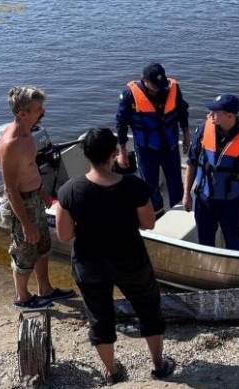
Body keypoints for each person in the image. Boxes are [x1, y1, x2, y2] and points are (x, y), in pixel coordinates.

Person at [55, 128, 174, 383]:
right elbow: (149, 223)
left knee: (99, 316)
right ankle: (159, 365)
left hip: (90, 263)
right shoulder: (134, 185)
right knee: (148, 309)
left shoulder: (70, 191)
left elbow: (64, 235)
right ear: (113, 154)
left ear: (85, 155)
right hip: (131, 258)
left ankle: (112, 372)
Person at [0, 86, 75, 310]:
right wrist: (25, 223)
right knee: (24, 252)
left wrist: (44, 194)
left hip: (34, 198)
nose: (44, 111)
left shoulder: (28, 133)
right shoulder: (11, 143)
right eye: (38, 108)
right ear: (22, 113)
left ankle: (45, 290)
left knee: (43, 247)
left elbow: (31, 169)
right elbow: (11, 188)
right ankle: (22, 298)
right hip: (20, 203)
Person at [183, 94, 239, 251]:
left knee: (234, 241)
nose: (209, 115)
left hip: (232, 202)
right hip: (204, 200)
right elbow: (191, 164)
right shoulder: (203, 130)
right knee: (205, 241)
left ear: (230, 115)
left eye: (215, 112)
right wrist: (186, 194)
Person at [116, 62, 190, 214]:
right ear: (144, 80)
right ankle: (157, 212)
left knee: (175, 181)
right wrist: (122, 151)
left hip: (170, 145)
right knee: (149, 184)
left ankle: (179, 211)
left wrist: (187, 135)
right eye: (155, 85)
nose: (159, 88)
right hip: (146, 148)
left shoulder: (172, 89)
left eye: (161, 84)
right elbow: (121, 124)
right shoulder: (129, 95)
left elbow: (183, 113)